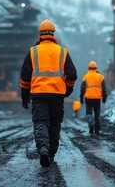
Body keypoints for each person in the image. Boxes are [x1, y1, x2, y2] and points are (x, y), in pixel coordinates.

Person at [20, 19, 77, 167]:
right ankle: (51, 153)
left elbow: (25, 76)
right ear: (53, 34)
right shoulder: (62, 51)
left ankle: (43, 149)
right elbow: (72, 74)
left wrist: (24, 95)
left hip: (38, 94)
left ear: (40, 34)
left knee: (40, 122)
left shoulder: (33, 51)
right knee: (55, 123)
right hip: (57, 94)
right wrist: (68, 88)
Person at [79, 61, 107, 135]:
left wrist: (81, 97)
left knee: (89, 114)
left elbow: (82, 88)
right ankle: (97, 130)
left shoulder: (86, 76)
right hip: (97, 99)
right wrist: (105, 97)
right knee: (97, 115)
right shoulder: (101, 77)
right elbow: (104, 89)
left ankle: (91, 124)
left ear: (89, 68)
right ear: (96, 68)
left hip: (88, 98)